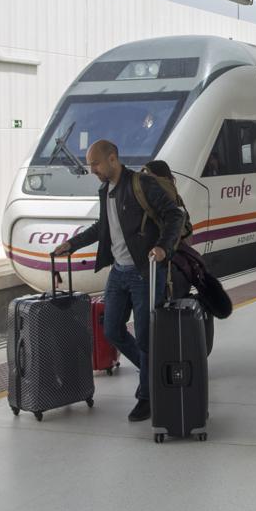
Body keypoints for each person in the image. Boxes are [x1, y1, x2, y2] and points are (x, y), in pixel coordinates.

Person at [54, 140, 185, 422]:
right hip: (119, 272)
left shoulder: (142, 184)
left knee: (146, 336)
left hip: (144, 271)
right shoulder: (106, 191)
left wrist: (163, 247)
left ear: (112, 159)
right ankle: (152, 371)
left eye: (95, 164)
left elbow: (176, 214)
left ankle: (147, 396)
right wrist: (73, 244)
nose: (92, 171)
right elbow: (103, 228)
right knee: (111, 330)